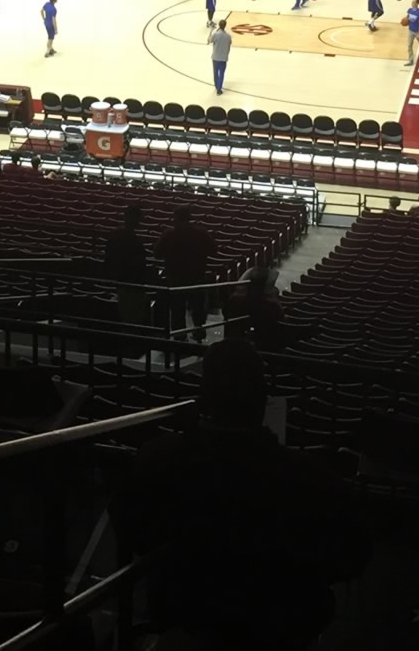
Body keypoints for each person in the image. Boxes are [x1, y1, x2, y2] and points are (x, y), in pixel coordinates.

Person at [114, 339, 371, 651]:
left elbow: (130, 528)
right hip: (282, 624)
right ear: (263, 401)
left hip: (186, 614)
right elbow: (352, 555)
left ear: (204, 399)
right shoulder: (308, 477)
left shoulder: (158, 461)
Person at [157, 205, 215, 345]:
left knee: (177, 309)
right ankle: (199, 331)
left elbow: (157, 252)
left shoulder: (169, 235)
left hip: (175, 277)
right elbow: (213, 250)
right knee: (198, 307)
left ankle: (179, 336)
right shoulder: (201, 233)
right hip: (196, 276)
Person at [103, 204, 152, 328]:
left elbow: (108, 258)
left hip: (119, 280)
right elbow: (141, 265)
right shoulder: (136, 242)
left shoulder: (114, 236)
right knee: (133, 318)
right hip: (132, 284)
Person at [208, 22, 232, 94]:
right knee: (221, 74)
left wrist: (211, 31)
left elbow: (209, 40)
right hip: (223, 58)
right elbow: (229, 44)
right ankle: (219, 89)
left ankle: (216, 85)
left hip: (215, 57)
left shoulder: (216, 34)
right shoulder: (228, 36)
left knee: (215, 73)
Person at [403, 0, 419, 68]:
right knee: (409, 46)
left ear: (417, 4)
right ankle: (411, 61)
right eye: (412, 1)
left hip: (417, 31)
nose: (412, 3)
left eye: (414, 2)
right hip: (410, 30)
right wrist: (405, 19)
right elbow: (408, 16)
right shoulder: (409, 10)